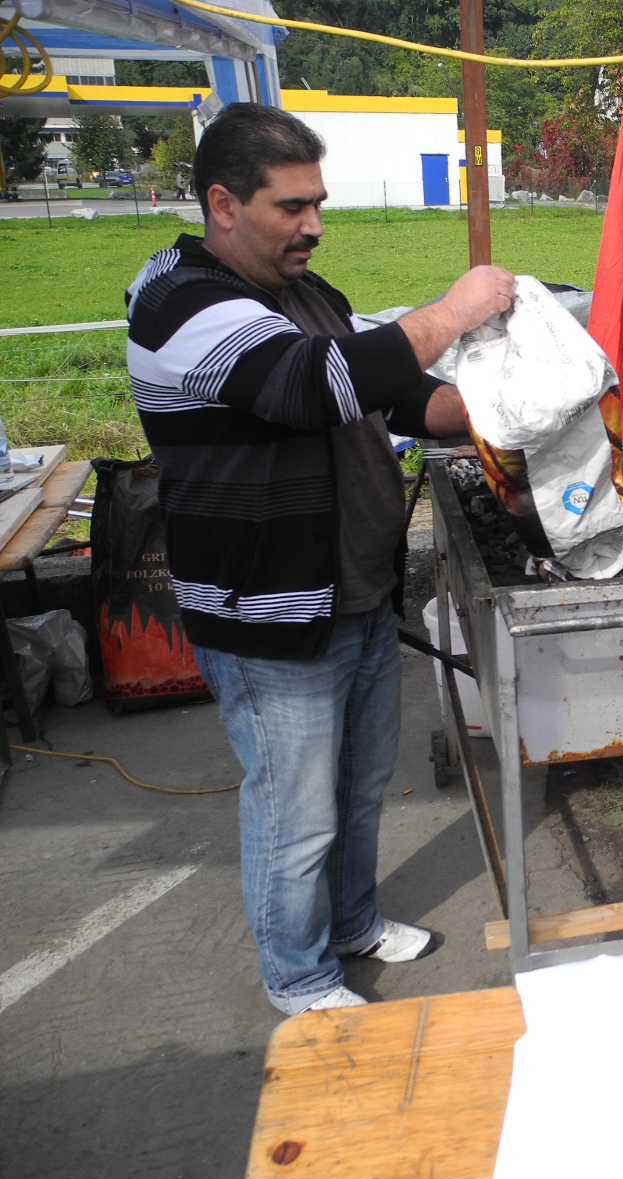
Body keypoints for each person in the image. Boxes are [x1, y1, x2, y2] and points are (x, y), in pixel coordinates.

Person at [125, 103, 514, 1014]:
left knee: (358, 788)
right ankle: (299, 977)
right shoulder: (183, 300)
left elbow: (393, 397)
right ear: (225, 205)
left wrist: (500, 406)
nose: (314, 226)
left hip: (357, 593)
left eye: (319, 204)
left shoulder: (305, 293)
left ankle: (351, 924)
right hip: (270, 611)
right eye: (292, 207)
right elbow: (311, 387)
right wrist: (453, 311)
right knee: (295, 811)